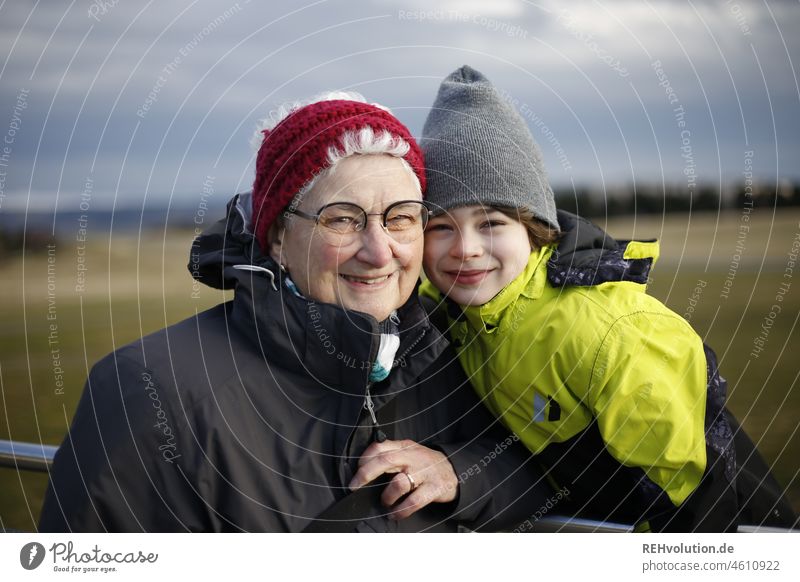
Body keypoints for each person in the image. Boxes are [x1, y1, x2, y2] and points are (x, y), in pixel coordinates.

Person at [38, 90, 553, 533]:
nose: (379, 251)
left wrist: (459, 473)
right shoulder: (150, 388)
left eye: (401, 219)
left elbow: (554, 476)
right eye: (343, 219)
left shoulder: (454, 353)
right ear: (279, 237)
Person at [418, 65, 797, 532]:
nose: (465, 248)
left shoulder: (609, 330)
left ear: (535, 229)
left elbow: (697, 504)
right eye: (440, 227)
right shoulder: (449, 313)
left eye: (491, 223)